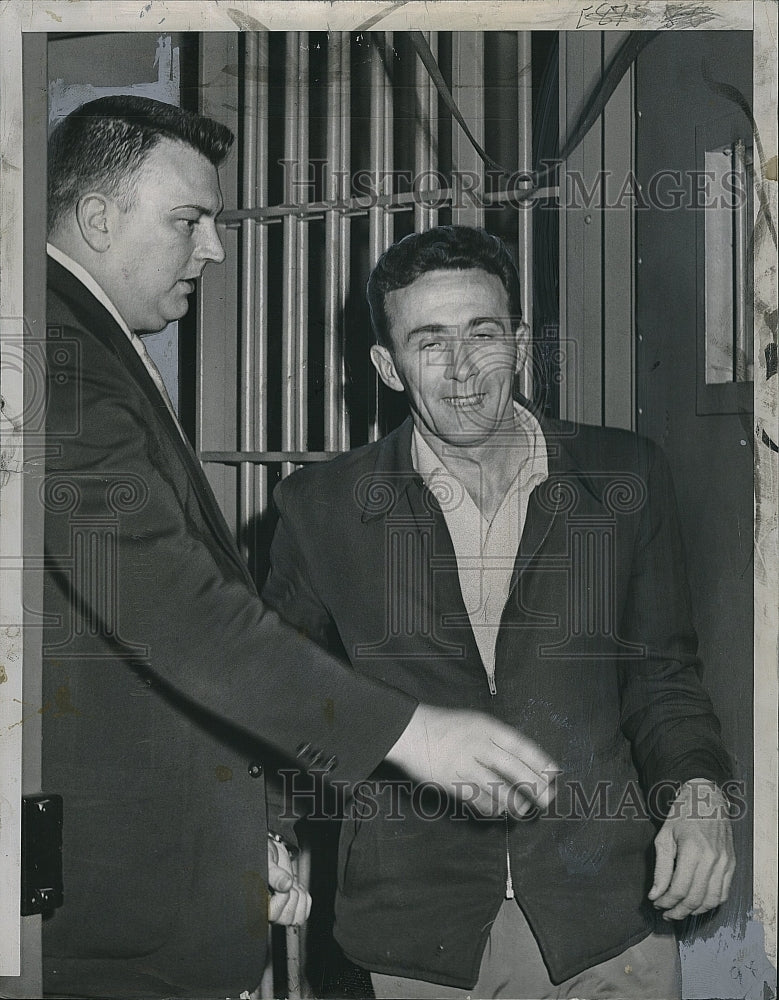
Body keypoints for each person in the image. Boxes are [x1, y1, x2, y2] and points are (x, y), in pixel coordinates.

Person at [41, 100, 557, 999]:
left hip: (145, 874)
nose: (214, 249)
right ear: (96, 219)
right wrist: (406, 731)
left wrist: (240, 839)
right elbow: (174, 611)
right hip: (101, 905)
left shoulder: (86, 348)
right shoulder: (57, 357)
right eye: (189, 221)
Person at [262, 226, 737, 999]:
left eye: (483, 333)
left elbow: (663, 681)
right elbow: (285, 703)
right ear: (387, 365)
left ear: (518, 342)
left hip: (606, 917)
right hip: (416, 930)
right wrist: (263, 835)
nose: (462, 371)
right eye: (429, 342)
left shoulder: (623, 475)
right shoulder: (320, 509)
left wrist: (699, 795)